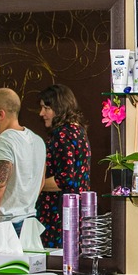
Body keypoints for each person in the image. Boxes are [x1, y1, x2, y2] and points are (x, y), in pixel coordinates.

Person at [0, 88, 46, 251]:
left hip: (3, 229)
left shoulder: (1, 143)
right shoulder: (38, 141)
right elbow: (40, 182)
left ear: (0, 114)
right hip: (29, 226)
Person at [35, 84, 92, 248]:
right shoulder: (78, 131)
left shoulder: (61, 135)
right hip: (76, 210)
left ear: (59, 108)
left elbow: (65, 179)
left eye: (46, 108)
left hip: (59, 214)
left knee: (58, 259)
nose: (41, 113)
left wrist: (35, 186)